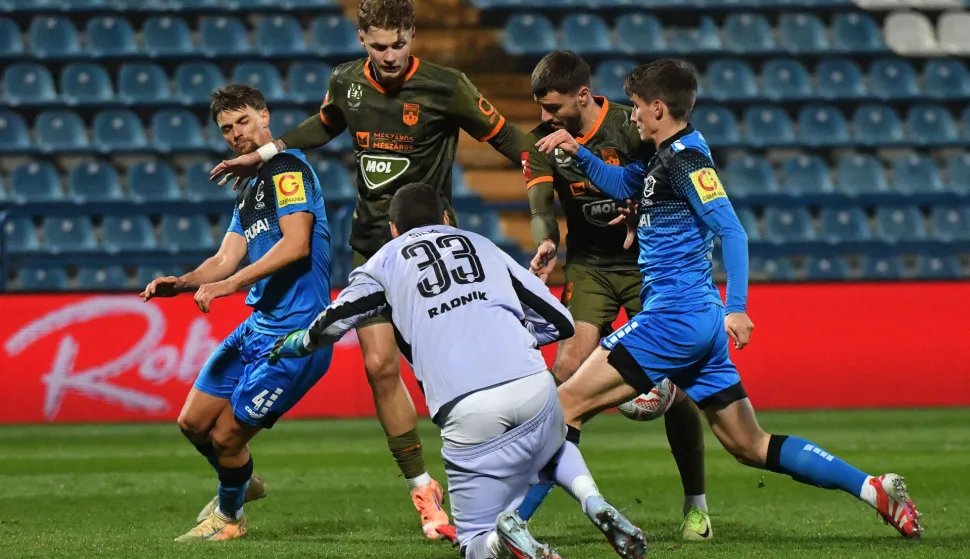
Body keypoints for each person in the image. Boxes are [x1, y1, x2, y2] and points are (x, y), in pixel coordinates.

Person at [535, 59, 923, 540]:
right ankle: (873, 489)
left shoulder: (687, 161)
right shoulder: (664, 157)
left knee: (562, 406)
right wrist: (579, 153)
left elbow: (732, 232)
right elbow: (623, 185)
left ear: (658, 108)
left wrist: (737, 306)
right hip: (697, 321)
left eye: (635, 107)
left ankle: (513, 523)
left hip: (673, 318)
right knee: (750, 445)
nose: (629, 116)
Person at [207, 0, 529, 537]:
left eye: (397, 45)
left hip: (431, 248)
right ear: (362, 40)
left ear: (412, 37)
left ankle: (498, 475)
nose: (388, 56)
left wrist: (560, 165)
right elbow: (325, 124)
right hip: (371, 248)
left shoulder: (448, 86)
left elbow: (507, 140)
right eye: (377, 46)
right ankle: (425, 496)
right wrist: (263, 154)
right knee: (379, 367)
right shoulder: (347, 82)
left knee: (453, 372)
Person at [270, 182, 648, 559]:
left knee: (473, 542)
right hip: (533, 385)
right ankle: (593, 501)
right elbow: (562, 322)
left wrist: (298, 343)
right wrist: (517, 333)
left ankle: (502, 541)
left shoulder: (382, 262)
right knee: (553, 443)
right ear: (446, 218)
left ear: (393, 229)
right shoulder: (483, 245)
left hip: (467, 405)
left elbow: (334, 322)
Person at [517, 50, 713, 540]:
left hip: (648, 263)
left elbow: (667, 184)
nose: (546, 118)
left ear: (583, 96)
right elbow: (541, 206)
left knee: (680, 383)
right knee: (565, 372)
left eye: (555, 108)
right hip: (590, 265)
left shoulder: (632, 126)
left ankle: (696, 505)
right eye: (541, 108)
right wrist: (546, 240)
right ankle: (522, 511)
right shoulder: (541, 142)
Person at [140, 84, 335, 541]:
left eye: (243, 121)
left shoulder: (287, 168)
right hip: (259, 326)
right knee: (192, 422)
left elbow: (296, 245)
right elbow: (226, 258)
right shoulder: (247, 188)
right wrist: (184, 282)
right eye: (227, 128)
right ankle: (241, 483)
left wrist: (226, 286)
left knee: (227, 437)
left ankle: (229, 520)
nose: (235, 134)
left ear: (265, 117)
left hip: (296, 336)